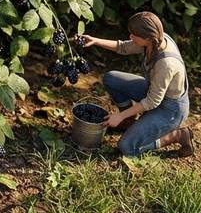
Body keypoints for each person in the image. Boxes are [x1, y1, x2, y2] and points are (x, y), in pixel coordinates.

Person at [78, 11, 194, 157]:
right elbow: (123, 47)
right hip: (154, 92)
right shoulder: (154, 40)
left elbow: (152, 102)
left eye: (134, 35)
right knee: (111, 79)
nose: (130, 37)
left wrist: (119, 116)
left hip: (170, 110)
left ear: (147, 37)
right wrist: (95, 40)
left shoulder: (166, 64)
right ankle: (129, 122)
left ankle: (177, 135)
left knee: (126, 147)